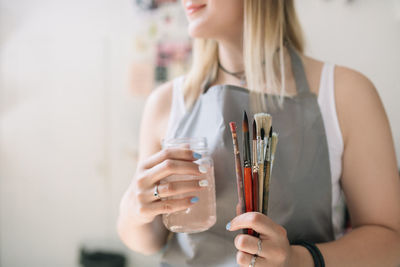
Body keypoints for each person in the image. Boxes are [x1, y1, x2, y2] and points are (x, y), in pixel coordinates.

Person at [117, 0, 400, 266]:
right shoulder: (166, 103)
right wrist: (134, 208)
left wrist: (299, 260)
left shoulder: (345, 94)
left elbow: (391, 243)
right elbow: (150, 241)